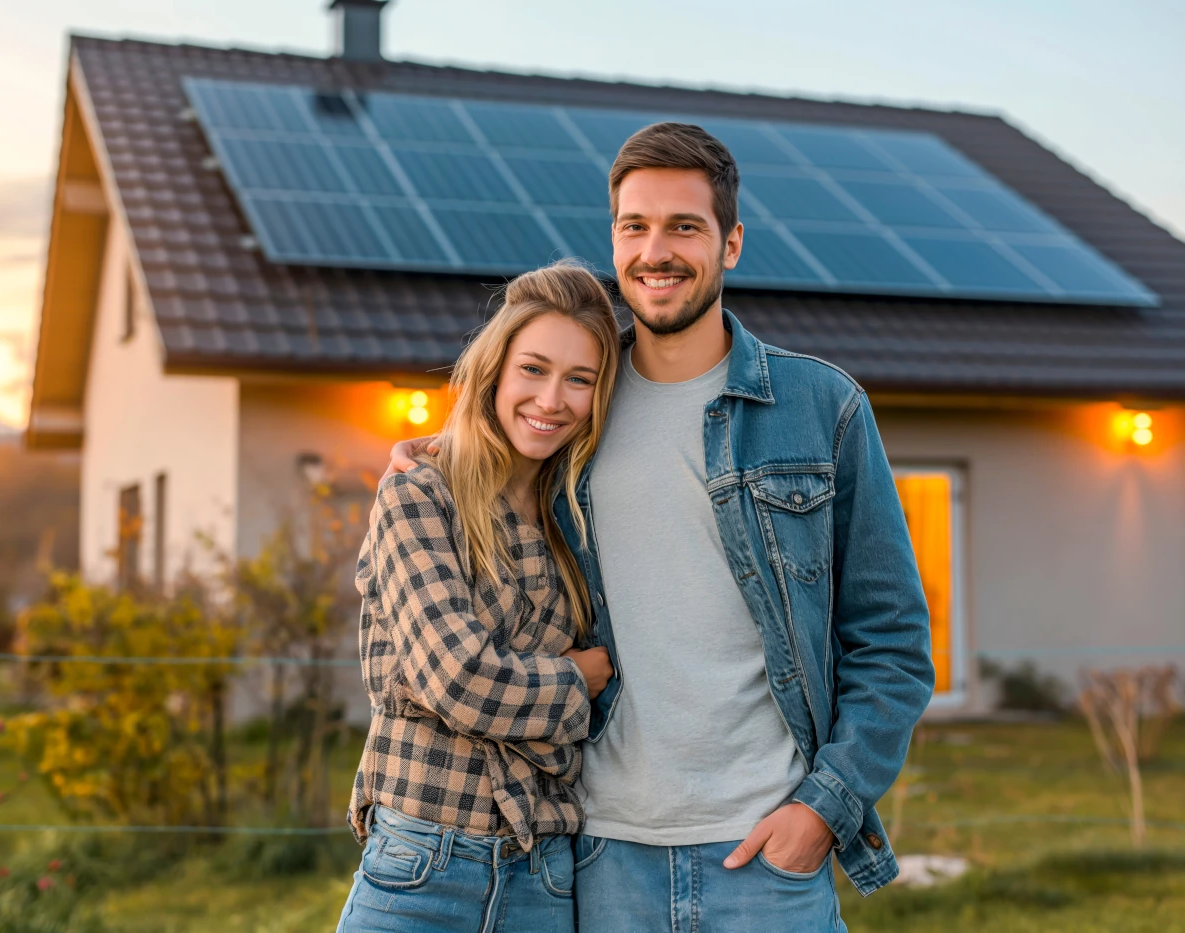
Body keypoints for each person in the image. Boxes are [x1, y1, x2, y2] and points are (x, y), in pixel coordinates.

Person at [386, 123, 936, 931]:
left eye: (685, 226)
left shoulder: (822, 409)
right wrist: (420, 453)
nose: (657, 250)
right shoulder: (577, 404)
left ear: (732, 242)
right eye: (635, 226)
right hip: (603, 853)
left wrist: (827, 806)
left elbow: (891, 637)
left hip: (766, 851)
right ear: (613, 240)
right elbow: (486, 454)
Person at [337, 260, 620, 933]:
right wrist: (578, 679)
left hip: (544, 874)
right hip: (421, 865)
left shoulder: (578, 520)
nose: (552, 399)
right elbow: (459, 676)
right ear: (494, 369)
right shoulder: (420, 493)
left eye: (579, 379)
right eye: (534, 368)